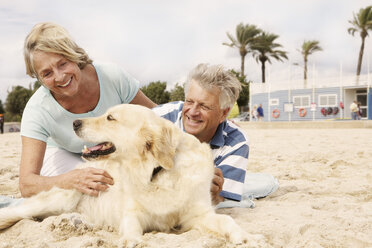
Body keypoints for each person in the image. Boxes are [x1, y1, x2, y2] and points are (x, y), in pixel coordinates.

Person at [14, 23, 156, 201]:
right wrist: (68, 180)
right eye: (47, 73)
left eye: (63, 63)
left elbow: (157, 116)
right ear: (39, 78)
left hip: (109, 150)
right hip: (63, 154)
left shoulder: (112, 76)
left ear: (74, 56)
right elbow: (26, 184)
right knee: (101, 189)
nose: (59, 77)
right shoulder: (37, 109)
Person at [152, 64, 278, 208]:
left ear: (223, 113)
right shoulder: (159, 119)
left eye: (204, 106)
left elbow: (219, 198)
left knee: (260, 186)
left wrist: (212, 194)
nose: (192, 112)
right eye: (189, 101)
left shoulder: (236, 141)